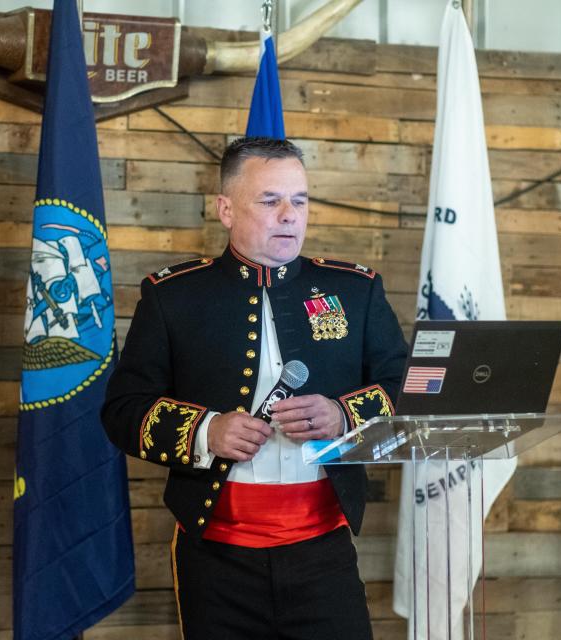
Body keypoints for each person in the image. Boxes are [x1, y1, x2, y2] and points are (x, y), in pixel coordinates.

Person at [102, 136, 408, 639]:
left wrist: (343, 415)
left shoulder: (356, 290)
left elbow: (405, 386)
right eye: (270, 200)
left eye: (300, 200)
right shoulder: (172, 296)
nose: (290, 214)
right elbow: (122, 410)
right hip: (215, 557)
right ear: (226, 209)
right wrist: (206, 431)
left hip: (324, 552)